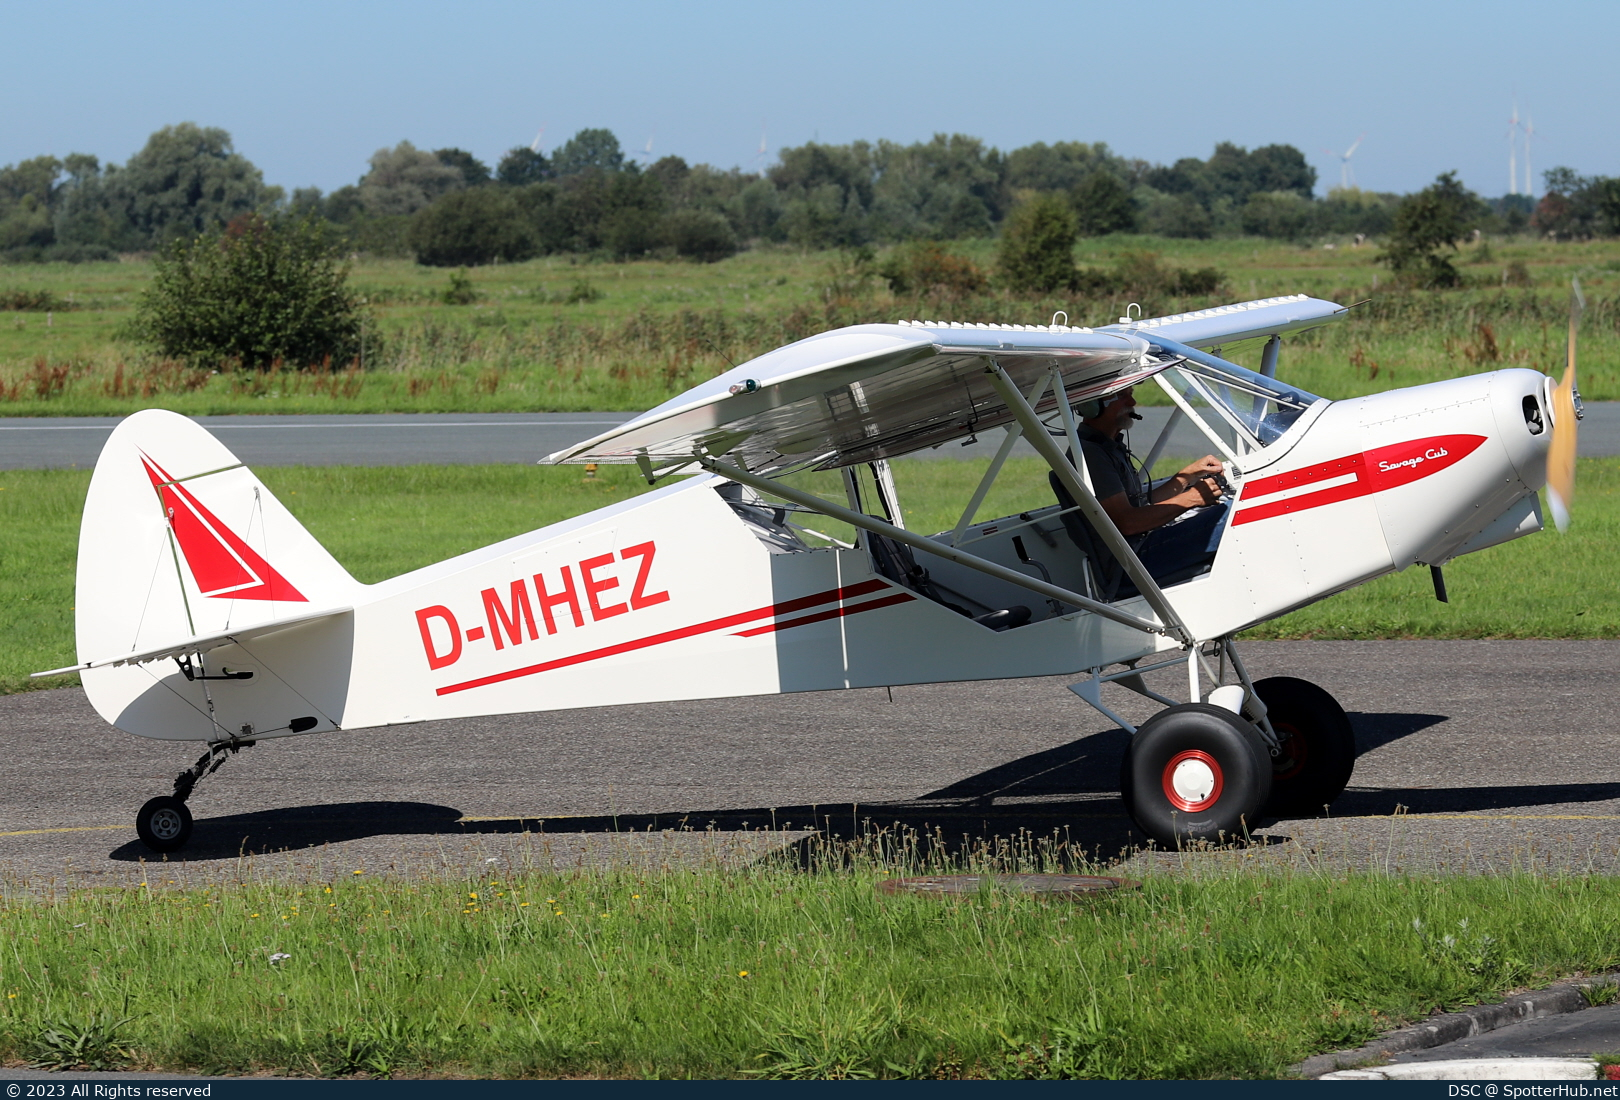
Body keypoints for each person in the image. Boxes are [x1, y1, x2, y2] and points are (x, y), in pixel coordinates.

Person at [1052, 386, 1230, 596]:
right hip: (1133, 562)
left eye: (1131, 394)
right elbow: (1128, 523)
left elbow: (1141, 507)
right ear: (1091, 406)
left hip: (1140, 549)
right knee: (1231, 515)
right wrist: (1192, 498)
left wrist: (1186, 476)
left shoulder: (1106, 447)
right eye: (1122, 396)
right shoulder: (1090, 456)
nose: (1132, 403)